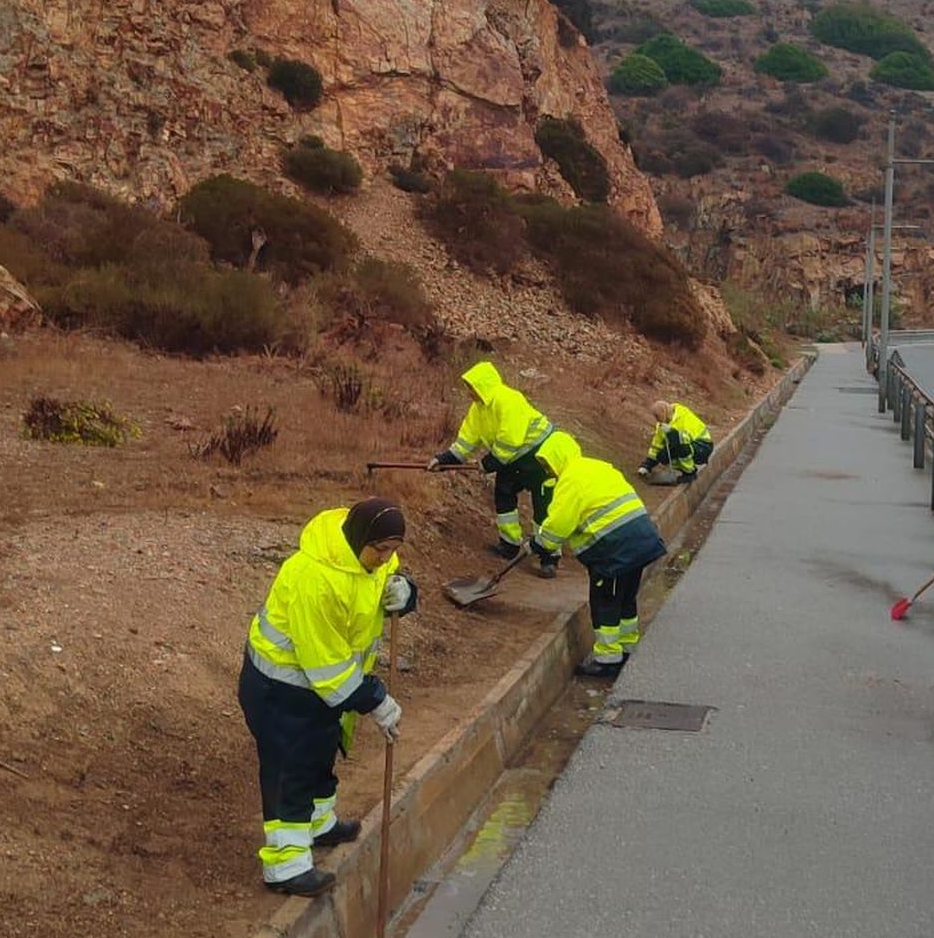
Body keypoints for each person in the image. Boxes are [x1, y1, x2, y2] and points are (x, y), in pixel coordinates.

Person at [237, 497, 417, 898]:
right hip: (281, 688)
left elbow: (383, 586)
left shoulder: (373, 557)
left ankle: (319, 824)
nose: (385, 558)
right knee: (292, 770)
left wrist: (405, 593)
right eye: (380, 550)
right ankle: (285, 866)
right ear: (360, 539)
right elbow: (327, 668)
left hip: (318, 689)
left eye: (392, 550)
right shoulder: (314, 579)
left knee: (321, 752)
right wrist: (377, 700)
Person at [532, 431, 666, 677]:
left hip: (615, 550)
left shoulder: (570, 481)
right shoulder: (597, 467)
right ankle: (627, 648)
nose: (548, 471)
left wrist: (540, 543)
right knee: (625, 598)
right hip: (641, 540)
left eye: (548, 464)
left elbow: (559, 524)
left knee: (605, 602)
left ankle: (608, 660)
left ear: (558, 458)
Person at [429, 359, 559, 574]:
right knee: (503, 497)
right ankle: (509, 544)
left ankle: (549, 557)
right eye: (468, 387)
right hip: (510, 459)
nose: (469, 392)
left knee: (543, 506)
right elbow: (466, 441)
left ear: (482, 385)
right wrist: (444, 459)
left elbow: (510, 439)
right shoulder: (478, 409)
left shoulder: (509, 400)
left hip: (539, 457)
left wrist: (488, 464)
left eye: (471, 387)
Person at [640, 397, 714, 485]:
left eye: (657, 416)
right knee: (663, 455)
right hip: (688, 445)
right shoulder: (662, 424)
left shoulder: (684, 417)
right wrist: (647, 465)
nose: (657, 419)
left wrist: (671, 432)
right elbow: (656, 446)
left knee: (679, 447)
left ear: (663, 413)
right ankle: (683, 470)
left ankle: (689, 473)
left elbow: (683, 441)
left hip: (703, 446)